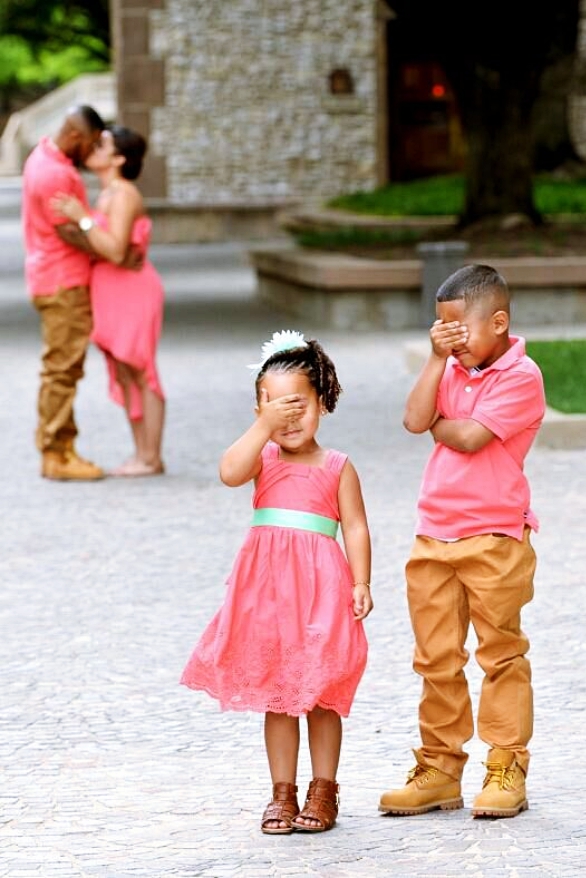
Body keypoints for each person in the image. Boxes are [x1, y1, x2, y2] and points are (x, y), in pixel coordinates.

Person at [180, 330, 373, 834]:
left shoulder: (336, 466)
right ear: (258, 411)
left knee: (323, 692)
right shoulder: (261, 460)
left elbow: (355, 525)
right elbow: (228, 471)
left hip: (321, 592)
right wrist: (263, 428)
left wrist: (361, 582)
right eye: (273, 408)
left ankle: (323, 789)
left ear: (322, 405)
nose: (287, 419)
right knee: (279, 694)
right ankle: (282, 793)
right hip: (268, 596)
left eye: (297, 407)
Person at [379, 264, 545, 820]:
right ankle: (440, 768)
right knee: (435, 660)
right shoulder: (448, 367)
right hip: (434, 534)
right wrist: (434, 362)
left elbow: (469, 436)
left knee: (500, 655)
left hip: (495, 536)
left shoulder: (522, 377)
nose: (450, 340)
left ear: (498, 322)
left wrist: (440, 426)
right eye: (440, 330)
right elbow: (413, 419)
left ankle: (506, 764)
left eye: (458, 330)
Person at [51, 125, 166, 477]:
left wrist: (81, 219)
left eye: (102, 145)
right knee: (124, 370)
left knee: (142, 370)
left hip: (132, 289)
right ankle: (141, 453)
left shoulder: (124, 194)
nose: (93, 148)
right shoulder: (105, 195)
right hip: (111, 291)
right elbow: (99, 243)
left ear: (118, 158)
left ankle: (151, 457)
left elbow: (115, 250)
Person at [22, 104, 106, 480]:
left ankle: (61, 448)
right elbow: (68, 230)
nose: (90, 152)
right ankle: (56, 454)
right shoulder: (56, 173)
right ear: (75, 136)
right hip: (63, 282)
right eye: (89, 144)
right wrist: (110, 246)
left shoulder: (41, 154)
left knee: (61, 367)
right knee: (62, 369)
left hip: (49, 277)